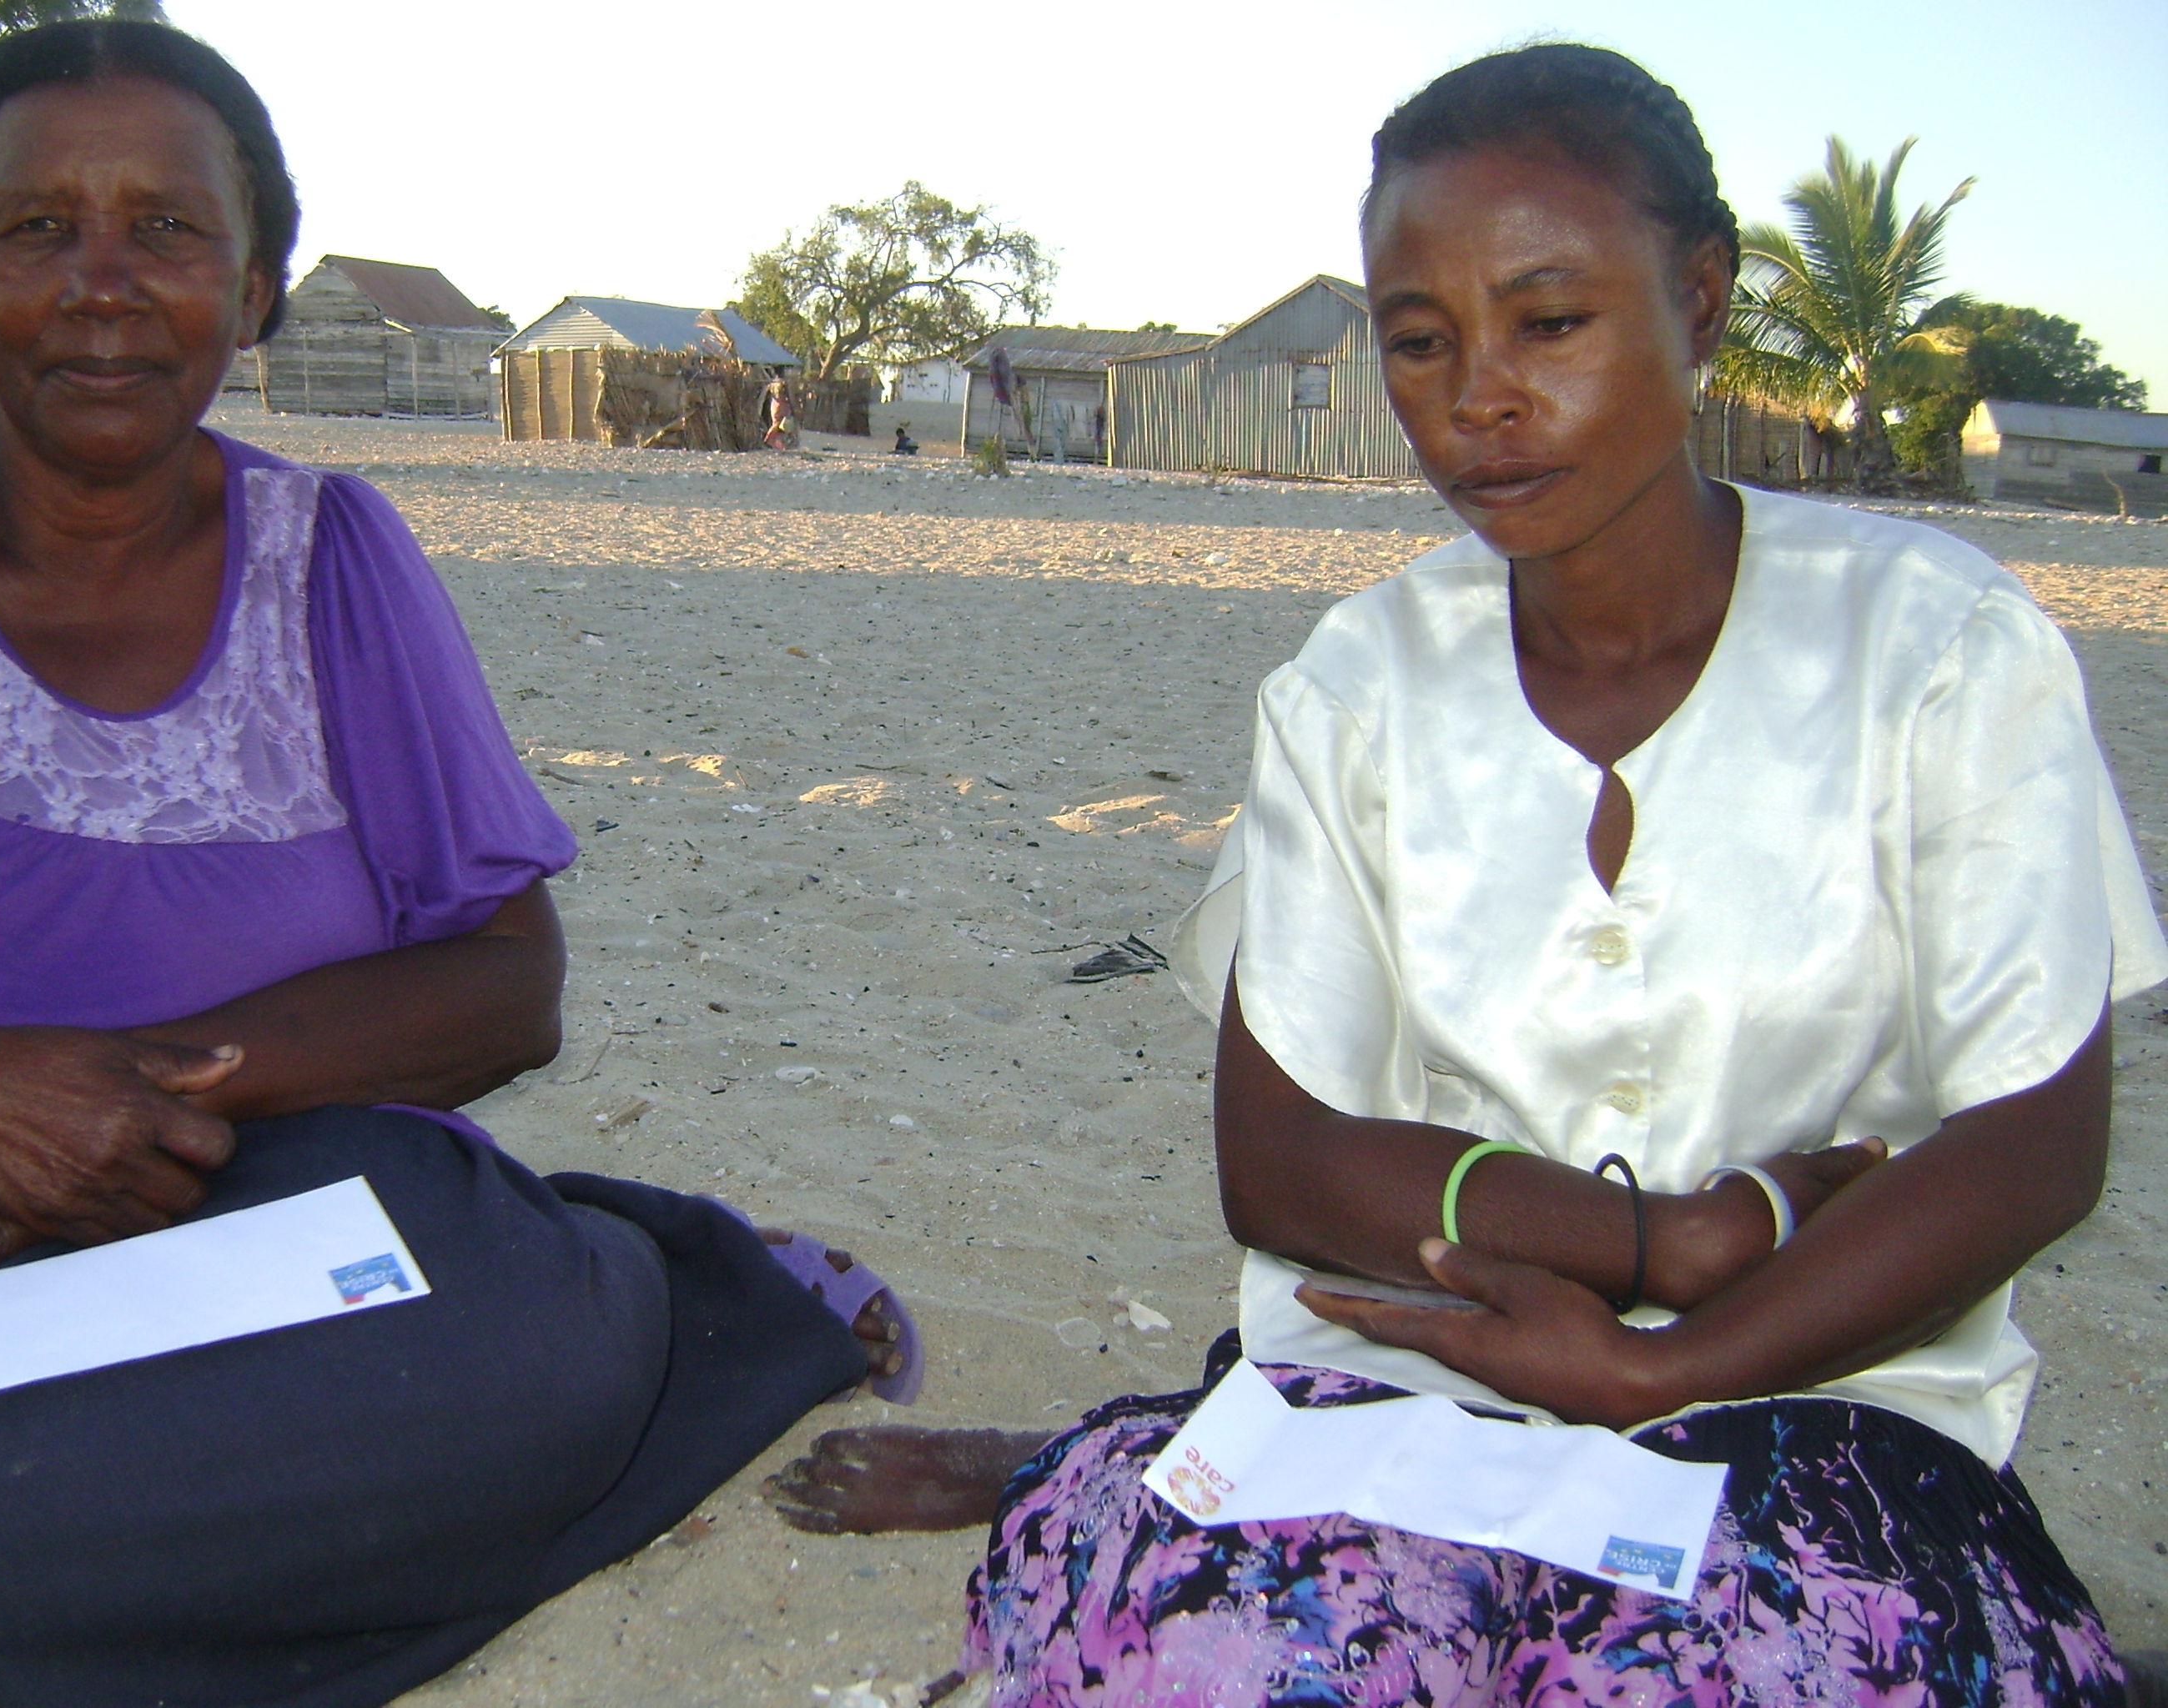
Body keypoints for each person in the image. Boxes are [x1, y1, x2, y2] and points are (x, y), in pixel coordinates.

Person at [764, 43, 2165, 1706]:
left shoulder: (1939, 651)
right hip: (1408, 1386)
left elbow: (2030, 1133)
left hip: (1817, 1391)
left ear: (1701, 302)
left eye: (1549, 321)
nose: (1478, 393)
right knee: (1215, 1657)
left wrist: (1680, 1361)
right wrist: (1664, 1242)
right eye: (1420, 343)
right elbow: (1282, 1159)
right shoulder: (1362, 685)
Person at [0, 21, 918, 1708]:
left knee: (538, 1352)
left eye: (167, 229)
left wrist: (105, 1103)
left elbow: (507, 981)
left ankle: (642, 1284)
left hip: (254, 1196)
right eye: (35, 229)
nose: (102, 284)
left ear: (257, 288)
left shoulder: (337, 562)